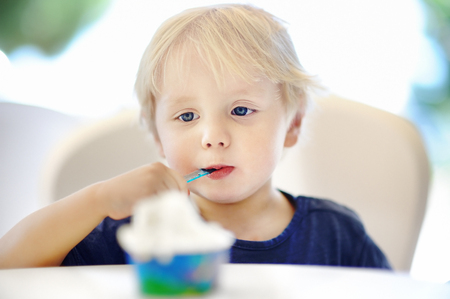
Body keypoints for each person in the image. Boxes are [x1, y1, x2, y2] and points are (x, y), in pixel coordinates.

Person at [0, 4, 391, 269]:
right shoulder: (140, 231)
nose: (213, 137)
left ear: (292, 125)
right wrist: (99, 199)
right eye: (186, 116)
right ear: (158, 136)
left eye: (240, 111)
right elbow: (9, 266)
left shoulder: (336, 234)